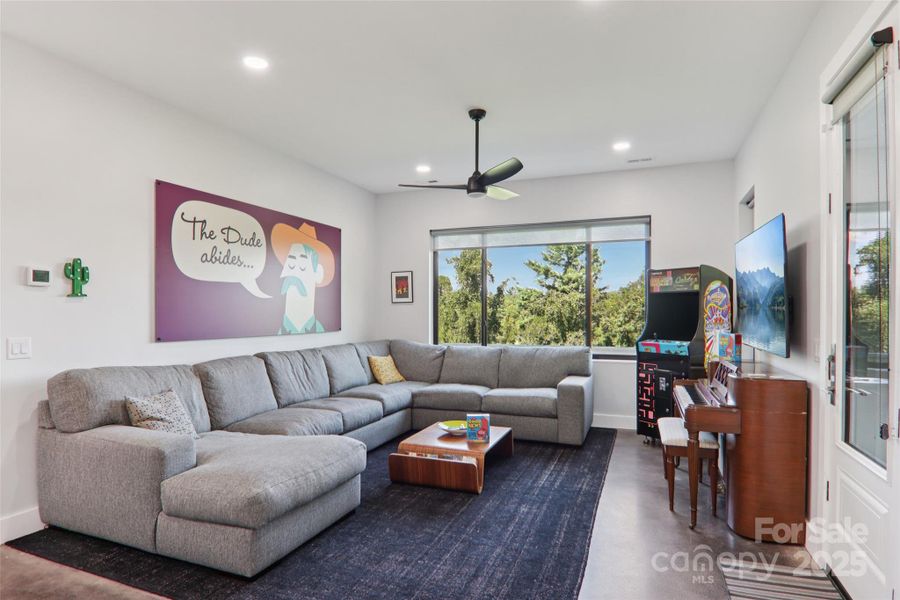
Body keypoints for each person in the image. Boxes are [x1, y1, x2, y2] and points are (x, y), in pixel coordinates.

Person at [271, 222, 335, 335]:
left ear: (318, 274)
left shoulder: (321, 331)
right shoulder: (275, 331)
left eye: (302, 266)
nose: (294, 275)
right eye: (290, 265)